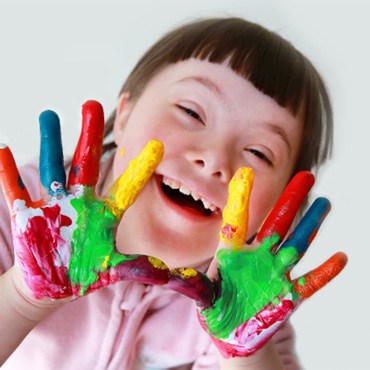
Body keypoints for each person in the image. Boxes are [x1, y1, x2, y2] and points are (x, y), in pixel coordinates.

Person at [0, 17, 347, 369]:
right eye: (191, 112)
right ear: (124, 115)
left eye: (259, 153)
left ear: (279, 205)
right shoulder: (21, 218)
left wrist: (244, 351)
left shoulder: (249, 305)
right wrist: (21, 297)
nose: (214, 159)